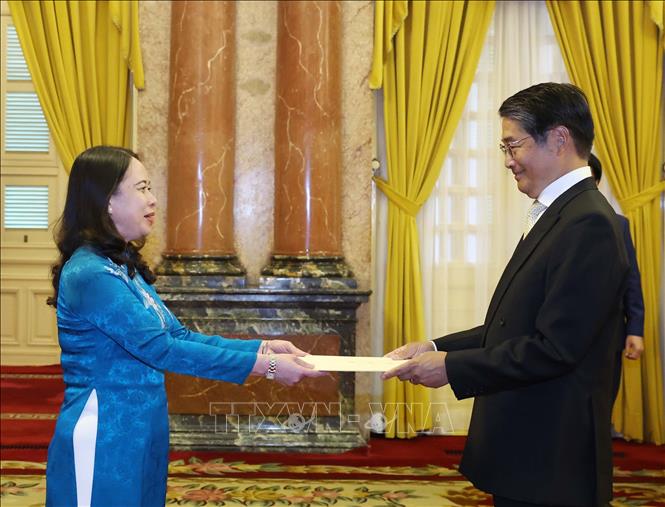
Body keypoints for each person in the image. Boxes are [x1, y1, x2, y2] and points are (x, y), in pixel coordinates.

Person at [383, 83, 629, 506]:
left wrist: (451, 368)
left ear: (559, 139)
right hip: (531, 448)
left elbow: (555, 348)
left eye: (513, 146)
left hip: (552, 456)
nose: (508, 162)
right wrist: (435, 346)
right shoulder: (562, 213)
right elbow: (514, 324)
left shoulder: (589, 223)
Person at [45, 146, 325, 506]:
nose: (153, 199)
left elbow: (177, 335)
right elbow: (162, 350)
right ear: (108, 202)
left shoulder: (118, 266)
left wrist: (262, 348)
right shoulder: (90, 273)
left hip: (141, 425)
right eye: (142, 188)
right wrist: (267, 368)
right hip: (104, 430)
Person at [588, 153, 645, 390]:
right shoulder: (549, 220)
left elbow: (630, 278)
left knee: (602, 405)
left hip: (609, 336)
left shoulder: (618, 224)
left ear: (597, 184)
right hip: (559, 339)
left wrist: (635, 329)